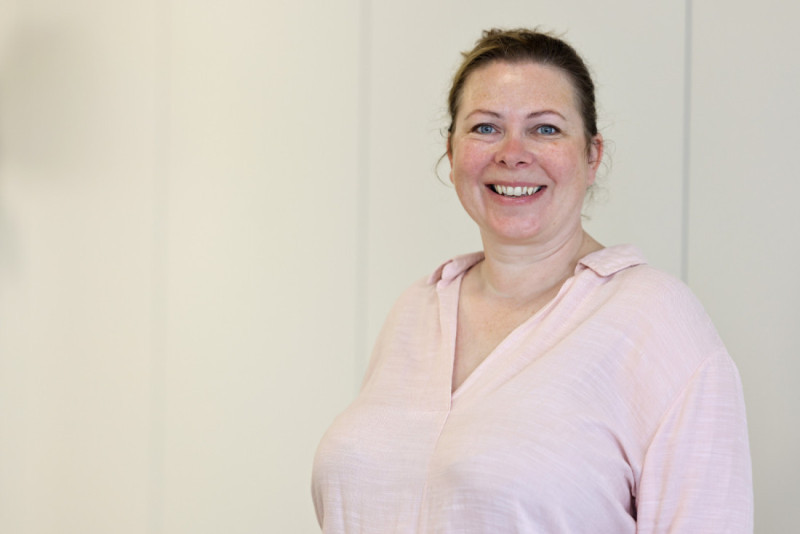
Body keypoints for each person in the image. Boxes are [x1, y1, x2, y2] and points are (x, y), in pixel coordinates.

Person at [311, 28, 753, 532]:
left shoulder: (656, 319)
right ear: (452, 153)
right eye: (485, 128)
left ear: (592, 156)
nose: (513, 153)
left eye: (545, 129)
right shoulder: (417, 309)